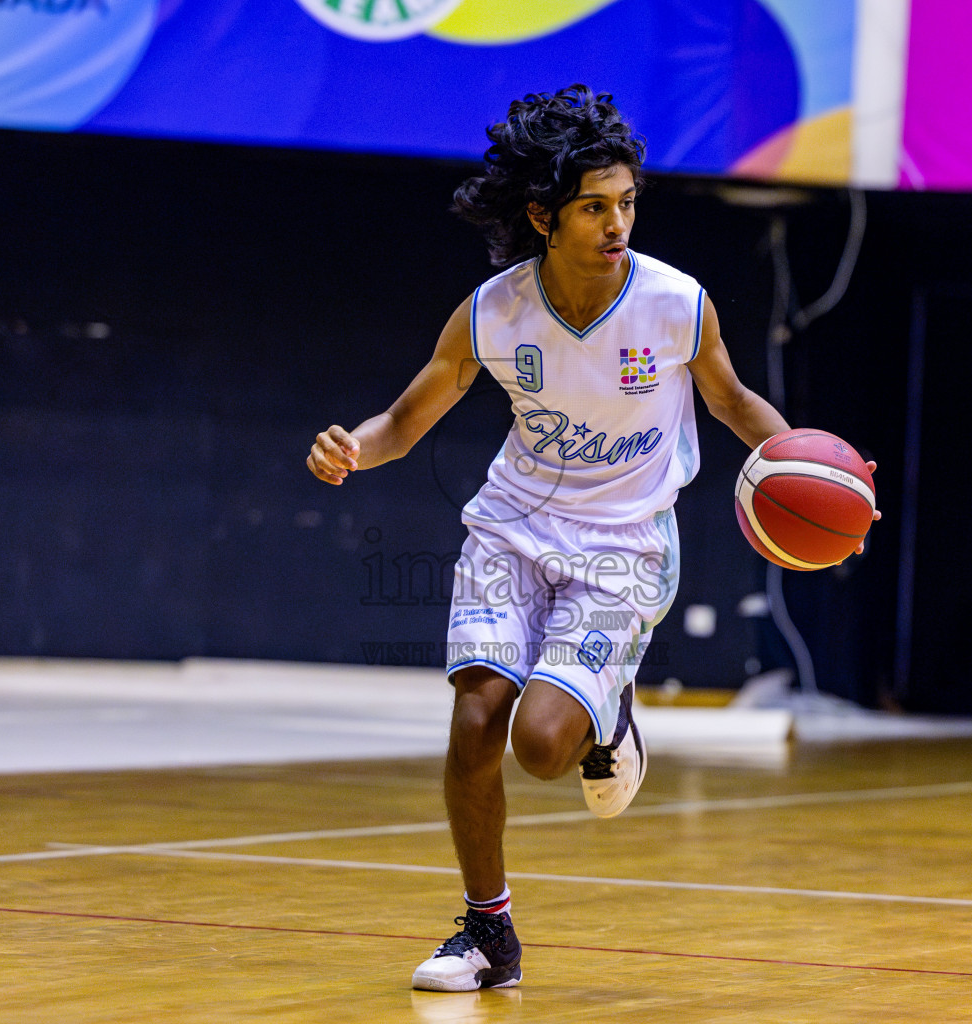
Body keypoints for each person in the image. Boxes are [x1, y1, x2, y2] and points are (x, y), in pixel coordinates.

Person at [308, 86, 876, 991]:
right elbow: (406, 418)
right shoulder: (493, 312)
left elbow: (730, 401)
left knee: (540, 746)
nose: (618, 224)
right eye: (594, 207)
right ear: (543, 215)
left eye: (626, 203)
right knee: (475, 720)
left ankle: (608, 715)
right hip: (512, 527)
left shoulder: (674, 303)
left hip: (625, 544)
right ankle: (489, 937)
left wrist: (821, 474)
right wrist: (354, 449)